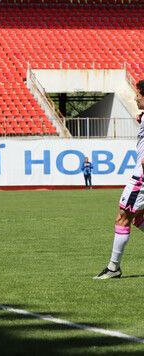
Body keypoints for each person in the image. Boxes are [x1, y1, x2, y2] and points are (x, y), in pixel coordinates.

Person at [94, 81, 144, 280]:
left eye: (138, 95)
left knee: (123, 216)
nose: (135, 98)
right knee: (139, 218)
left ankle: (113, 267)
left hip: (141, 177)